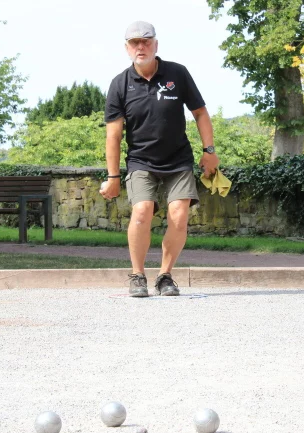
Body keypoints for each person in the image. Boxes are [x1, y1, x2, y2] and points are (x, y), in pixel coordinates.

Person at [101, 20, 219, 297]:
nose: (140, 47)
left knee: (179, 216)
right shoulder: (119, 84)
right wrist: (113, 177)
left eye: (146, 41)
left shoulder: (177, 73)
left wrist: (209, 151)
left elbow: (200, 113)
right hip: (141, 161)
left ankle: (165, 276)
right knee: (142, 211)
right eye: (134, 42)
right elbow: (113, 136)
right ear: (127, 48)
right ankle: (137, 276)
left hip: (178, 160)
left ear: (156, 44)